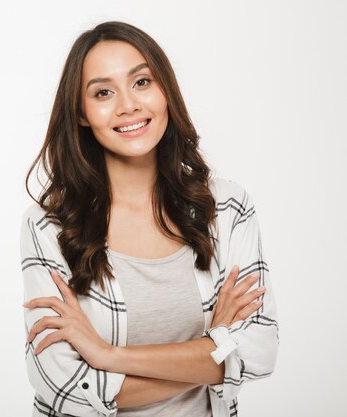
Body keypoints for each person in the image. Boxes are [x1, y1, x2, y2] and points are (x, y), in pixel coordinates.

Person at [20, 21, 278, 417]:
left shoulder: (227, 208)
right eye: (103, 92)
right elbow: (65, 389)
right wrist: (214, 352)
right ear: (82, 112)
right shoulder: (50, 226)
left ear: (165, 91)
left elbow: (259, 352)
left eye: (142, 82)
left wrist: (107, 355)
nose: (128, 105)